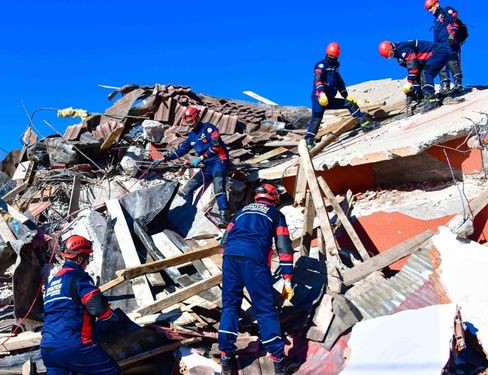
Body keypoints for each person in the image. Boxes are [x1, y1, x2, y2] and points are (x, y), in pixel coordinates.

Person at [218, 183, 298, 375]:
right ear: (274, 198)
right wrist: (287, 278)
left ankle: (226, 360)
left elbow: (223, 243)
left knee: (230, 307)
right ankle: (279, 363)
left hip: (230, 258)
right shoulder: (276, 215)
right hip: (254, 261)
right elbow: (284, 246)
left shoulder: (240, 212)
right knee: (265, 310)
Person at [40, 234, 121, 375]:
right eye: (87, 258)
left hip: (48, 349)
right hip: (74, 344)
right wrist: (111, 316)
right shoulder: (78, 277)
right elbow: (97, 307)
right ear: (79, 258)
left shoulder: (53, 283)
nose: (88, 263)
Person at [152, 106, 231, 225]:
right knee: (187, 189)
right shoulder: (192, 136)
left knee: (218, 187)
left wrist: (201, 157)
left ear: (197, 118)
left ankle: (224, 215)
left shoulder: (209, 128)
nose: (190, 125)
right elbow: (181, 150)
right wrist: (164, 157)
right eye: (188, 123)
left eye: (192, 122)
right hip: (206, 167)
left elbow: (217, 146)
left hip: (219, 162)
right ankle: (186, 213)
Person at [305, 42, 377, 149]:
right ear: (327, 54)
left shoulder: (335, 68)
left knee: (350, 103)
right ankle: (309, 142)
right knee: (317, 118)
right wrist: (321, 93)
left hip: (330, 98)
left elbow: (339, 82)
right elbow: (318, 80)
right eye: (331, 56)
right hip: (319, 98)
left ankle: (365, 123)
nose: (332, 58)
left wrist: (345, 95)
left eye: (334, 56)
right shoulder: (321, 65)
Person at [378, 40, 448, 113]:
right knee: (419, 75)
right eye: (389, 57)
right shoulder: (400, 58)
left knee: (426, 73)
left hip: (437, 52)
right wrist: (412, 93)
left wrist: (409, 82)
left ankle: (431, 100)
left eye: (391, 54)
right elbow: (415, 73)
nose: (392, 57)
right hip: (427, 59)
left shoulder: (404, 48)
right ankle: (422, 98)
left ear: (392, 48)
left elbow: (413, 67)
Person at [424, 0, 464, 96]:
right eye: (428, 9)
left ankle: (458, 85)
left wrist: (453, 34)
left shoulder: (446, 10)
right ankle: (445, 86)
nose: (429, 10)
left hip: (449, 42)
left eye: (431, 7)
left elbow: (455, 18)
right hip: (439, 46)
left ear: (437, 4)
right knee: (441, 64)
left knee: (452, 61)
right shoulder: (435, 20)